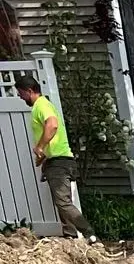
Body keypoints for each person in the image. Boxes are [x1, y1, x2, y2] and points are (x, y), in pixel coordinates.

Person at [17, 76, 90, 238]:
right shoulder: (43, 105)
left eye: (21, 93)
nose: (20, 97)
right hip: (58, 160)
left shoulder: (41, 105)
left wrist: (39, 147)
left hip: (60, 162)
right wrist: (42, 158)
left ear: (29, 91)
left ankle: (90, 234)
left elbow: (52, 125)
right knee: (62, 202)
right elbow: (52, 138)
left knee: (63, 202)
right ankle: (70, 235)